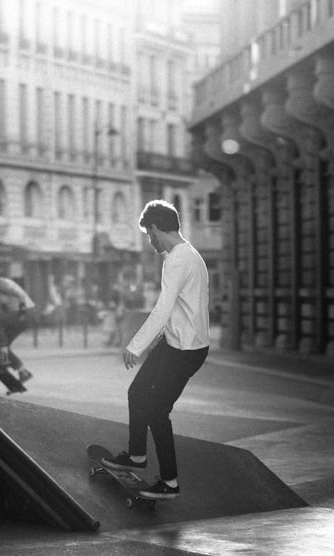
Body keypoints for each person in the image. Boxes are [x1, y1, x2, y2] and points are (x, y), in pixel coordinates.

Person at [101, 199, 210, 500]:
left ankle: (170, 482)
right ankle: (137, 456)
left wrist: (135, 346)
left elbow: (162, 309)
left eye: (148, 234)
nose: (149, 241)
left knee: (157, 412)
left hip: (184, 350)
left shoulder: (177, 260)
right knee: (137, 393)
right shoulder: (191, 255)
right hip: (176, 342)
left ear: (156, 228)